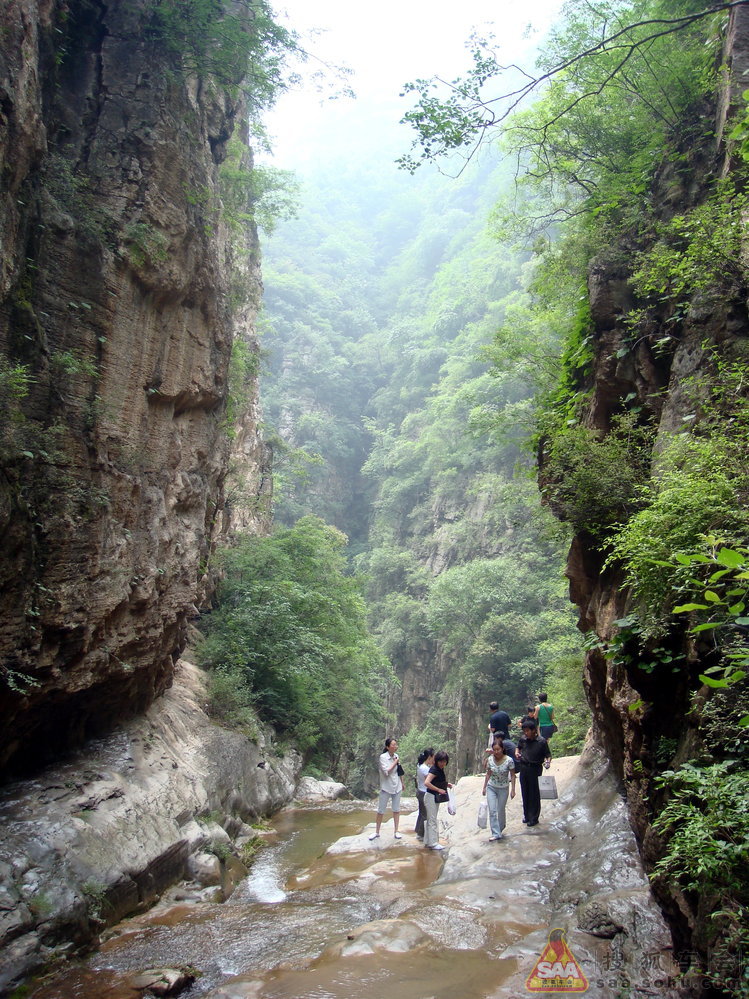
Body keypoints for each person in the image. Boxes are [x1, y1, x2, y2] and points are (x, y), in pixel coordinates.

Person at [515, 719, 552, 828]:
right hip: (524, 768)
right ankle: (526, 815)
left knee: (534, 793)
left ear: (534, 730)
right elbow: (518, 748)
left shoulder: (541, 741)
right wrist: (517, 753)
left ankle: (534, 817)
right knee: (525, 792)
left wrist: (548, 762)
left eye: (527, 731)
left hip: (535, 768)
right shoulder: (523, 739)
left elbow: (548, 754)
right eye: (524, 731)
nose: (526, 733)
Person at [482, 736, 516, 841]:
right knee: (492, 810)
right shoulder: (490, 760)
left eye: (498, 749)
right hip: (491, 787)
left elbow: (513, 775)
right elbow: (488, 773)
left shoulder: (509, 760)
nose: (496, 752)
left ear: (502, 749)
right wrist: (484, 787)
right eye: (494, 750)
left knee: (500, 810)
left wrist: (513, 790)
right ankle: (495, 833)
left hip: (503, 788)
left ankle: (500, 828)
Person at [369, 737, 403, 840]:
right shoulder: (383, 757)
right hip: (386, 787)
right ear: (387, 747)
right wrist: (395, 762)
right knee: (381, 810)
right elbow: (386, 771)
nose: (395, 746)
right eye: (393, 745)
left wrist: (402, 782)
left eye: (396, 744)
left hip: (397, 786)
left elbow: (400, 771)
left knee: (396, 810)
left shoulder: (396, 756)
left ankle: (396, 831)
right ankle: (377, 832)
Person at [423, 750, 452, 851]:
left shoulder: (439, 769)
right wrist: (438, 789)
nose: (442, 763)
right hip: (430, 796)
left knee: (431, 818)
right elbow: (426, 782)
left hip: (433, 797)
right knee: (432, 820)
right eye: (441, 761)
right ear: (437, 761)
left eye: (444, 761)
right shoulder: (434, 770)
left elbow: (436, 781)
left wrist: (445, 785)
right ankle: (433, 843)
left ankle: (428, 841)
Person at [414, 747, 435, 840]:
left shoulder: (420, 765)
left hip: (420, 791)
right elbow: (429, 781)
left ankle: (418, 831)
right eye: (433, 757)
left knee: (421, 813)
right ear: (429, 757)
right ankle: (421, 834)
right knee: (425, 814)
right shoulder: (425, 769)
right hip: (424, 792)